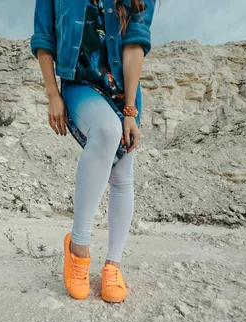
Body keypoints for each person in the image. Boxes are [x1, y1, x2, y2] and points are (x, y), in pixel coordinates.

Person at [31, 0, 156, 302]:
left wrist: (130, 110)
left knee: (123, 175)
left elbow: (134, 44)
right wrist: (52, 95)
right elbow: (44, 38)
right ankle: (79, 248)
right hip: (80, 83)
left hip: (123, 88)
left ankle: (113, 265)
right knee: (106, 131)